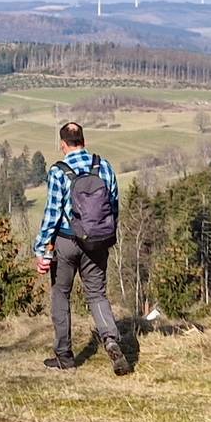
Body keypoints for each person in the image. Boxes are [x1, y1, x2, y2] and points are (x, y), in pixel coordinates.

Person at [33, 120, 132, 374]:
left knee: (61, 295)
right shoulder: (104, 166)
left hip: (67, 242)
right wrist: (109, 237)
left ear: (63, 145)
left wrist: (42, 250)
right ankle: (110, 339)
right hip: (98, 241)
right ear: (84, 142)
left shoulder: (59, 171)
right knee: (97, 294)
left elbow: (52, 215)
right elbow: (113, 207)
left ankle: (65, 357)